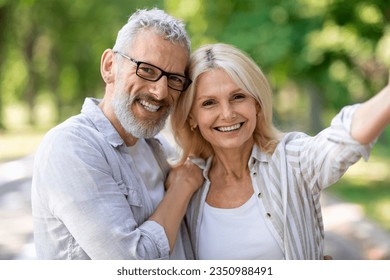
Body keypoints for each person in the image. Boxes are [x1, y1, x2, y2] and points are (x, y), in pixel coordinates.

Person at [169, 43, 390, 260]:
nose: (227, 114)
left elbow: (343, 140)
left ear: (256, 104)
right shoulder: (186, 183)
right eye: (209, 103)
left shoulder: (291, 160)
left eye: (238, 97)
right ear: (191, 117)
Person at [31, 8, 203, 260]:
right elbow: (130, 265)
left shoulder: (157, 149)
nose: (160, 92)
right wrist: (182, 187)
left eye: (174, 78)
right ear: (110, 66)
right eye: (147, 70)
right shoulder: (70, 147)